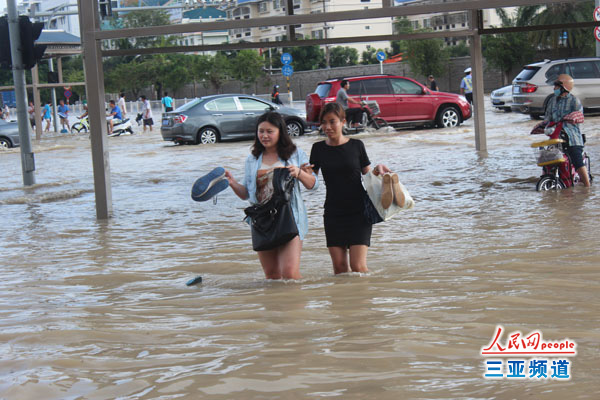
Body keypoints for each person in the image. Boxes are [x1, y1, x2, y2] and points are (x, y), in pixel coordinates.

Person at [225, 111, 318, 280]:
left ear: (280, 132)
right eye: (261, 131)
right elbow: (246, 194)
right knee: (272, 275)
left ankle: (296, 306)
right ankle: (275, 306)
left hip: (289, 218)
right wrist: (232, 183)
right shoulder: (252, 159)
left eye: (270, 131)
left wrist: (298, 172)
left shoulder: (295, 154)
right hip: (262, 221)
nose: (264, 135)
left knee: (289, 273)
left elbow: (313, 184)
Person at [309, 102, 399, 275]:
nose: (327, 127)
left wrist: (379, 168)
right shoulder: (318, 149)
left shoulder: (357, 146)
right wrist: (300, 172)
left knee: (358, 266)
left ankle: (366, 299)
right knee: (340, 269)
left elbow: (368, 177)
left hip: (359, 212)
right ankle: (344, 301)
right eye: (323, 122)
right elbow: (311, 180)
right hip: (333, 213)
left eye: (332, 121)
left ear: (343, 122)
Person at [545, 74, 591, 187]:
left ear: (564, 87)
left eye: (556, 86)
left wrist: (571, 117)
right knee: (548, 159)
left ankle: (587, 187)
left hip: (572, 138)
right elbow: (547, 118)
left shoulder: (574, 101)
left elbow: (579, 115)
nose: (554, 88)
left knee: (577, 160)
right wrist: (546, 127)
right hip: (556, 136)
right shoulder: (552, 101)